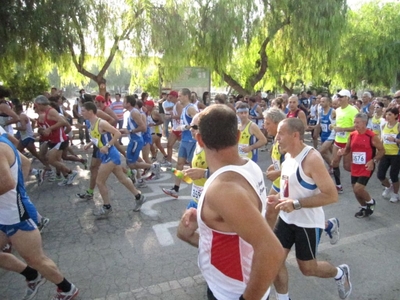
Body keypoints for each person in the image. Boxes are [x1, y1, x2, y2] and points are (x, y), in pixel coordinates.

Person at [177, 104, 284, 300]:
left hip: (233, 292)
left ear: (199, 140)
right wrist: (190, 233)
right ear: (237, 135)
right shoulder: (249, 166)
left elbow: (272, 250)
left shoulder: (222, 189)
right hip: (226, 283)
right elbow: (243, 233)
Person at [269, 118, 352, 300]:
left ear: (296, 135)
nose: (276, 138)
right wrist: (276, 198)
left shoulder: (312, 159)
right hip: (285, 219)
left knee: (308, 268)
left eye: (280, 134)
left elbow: (331, 195)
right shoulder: (288, 155)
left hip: (306, 223)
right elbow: (291, 186)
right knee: (273, 261)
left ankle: (339, 272)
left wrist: (296, 204)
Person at [0, 129, 78, 300]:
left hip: (15, 215)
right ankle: (32, 275)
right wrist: (21, 192)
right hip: (4, 213)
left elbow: (6, 183)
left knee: (36, 259)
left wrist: (18, 196)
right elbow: (25, 162)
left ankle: (67, 289)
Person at [81, 101, 145, 216]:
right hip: (104, 154)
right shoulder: (90, 122)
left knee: (100, 181)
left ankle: (107, 207)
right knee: (122, 179)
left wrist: (108, 145)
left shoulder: (101, 123)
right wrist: (89, 144)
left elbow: (117, 133)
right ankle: (139, 196)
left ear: (90, 111)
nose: (81, 113)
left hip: (111, 155)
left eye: (83, 111)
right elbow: (97, 137)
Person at [337, 113, 384, 218]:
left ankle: (371, 202)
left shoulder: (371, 136)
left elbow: (382, 150)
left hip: (367, 166)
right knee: (355, 191)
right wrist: (342, 152)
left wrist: (373, 161)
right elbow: (348, 149)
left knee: (358, 189)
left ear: (364, 123)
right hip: (355, 166)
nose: (355, 124)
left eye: (357, 122)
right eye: (354, 122)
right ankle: (364, 207)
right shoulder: (352, 135)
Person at [162, 88, 198, 198]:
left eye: (180, 96)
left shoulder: (191, 108)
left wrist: (186, 127)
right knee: (179, 164)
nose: (178, 98)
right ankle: (176, 189)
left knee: (193, 166)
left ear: (186, 96)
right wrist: (183, 127)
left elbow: (199, 121)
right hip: (185, 140)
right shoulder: (184, 108)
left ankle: (198, 189)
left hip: (192, 141)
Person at [331, 89, 359, 194]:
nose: (339, 98)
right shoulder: (337, 110)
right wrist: (333, 127)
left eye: (341, 96)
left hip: (348, 142)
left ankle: (359, 180)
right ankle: (338, 186)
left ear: (347, 98)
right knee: (334, 163)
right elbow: (337, 124)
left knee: (347, 167)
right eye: (338, 96)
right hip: (338, 140)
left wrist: (343, 129)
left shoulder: (353, 110)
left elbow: (356, 127)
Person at [378, 107, 400, 203]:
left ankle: (396, 194)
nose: (387, 116)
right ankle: (388, 187)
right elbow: (381, 139)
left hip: (396, 154)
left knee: (393, 175)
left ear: (396, 116)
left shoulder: (398, 126)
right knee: (380, 175)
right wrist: (379, 151)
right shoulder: (384, 126)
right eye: (387, 114)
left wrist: (395, 140)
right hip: (385, 153)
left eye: (390, 114)